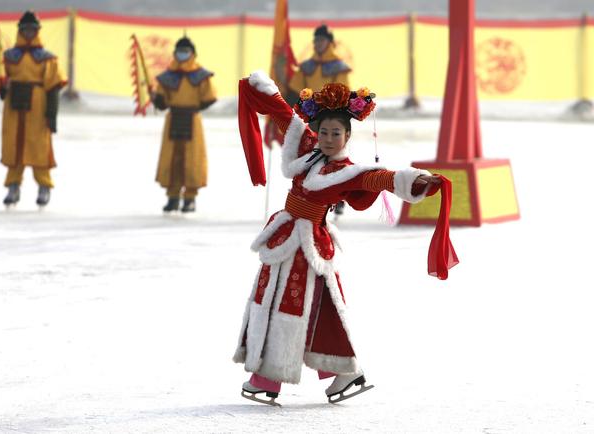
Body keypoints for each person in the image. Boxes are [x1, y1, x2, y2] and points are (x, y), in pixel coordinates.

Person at [233, 72, 442, 405]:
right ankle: (341, 371)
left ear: (347, 136)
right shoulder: (307, 150)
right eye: (325, 132)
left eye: (336, 133)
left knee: (292, 305)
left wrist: (414, 180)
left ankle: (270, 377)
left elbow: (378, 179)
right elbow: (285, 117)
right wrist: (264, 89)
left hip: (308, 244)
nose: (329, 138)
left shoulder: (346, 171)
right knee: (313, 306)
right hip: (287, 237)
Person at [0, 11, 66, 207]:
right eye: (25, 30)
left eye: (32, 30)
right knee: (15, 146)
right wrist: (3, 88)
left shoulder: (47, 58)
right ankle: (13, 186)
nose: (29, 33)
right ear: (20, 31)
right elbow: (0, 81)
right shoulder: (9, 57)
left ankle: (44, 186)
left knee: (39, 147)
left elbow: (53, 88)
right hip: (14, 107)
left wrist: (52, 114)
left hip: (38, 105)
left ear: (37, 31)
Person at [288, 24, 351, 215]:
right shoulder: (307, 67)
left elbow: (343, 92)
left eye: (321, 40)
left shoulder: (338, 66)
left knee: (335, 157)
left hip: (332, 117)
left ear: (329, 42)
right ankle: (312, 192)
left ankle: (338, 196)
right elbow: (294, 91)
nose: (318, 44)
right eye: (315, 40)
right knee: (311, 154)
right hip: (312, 117)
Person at [151, 36, 217, 213]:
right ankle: (172, 197)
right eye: (179, 51)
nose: (182, 54)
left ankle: (190, 198)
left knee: (192, 159)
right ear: (174, 54)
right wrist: (157, 99)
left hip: (191, 120)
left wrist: (193, 108)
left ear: (193, 54)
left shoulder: (201, 75)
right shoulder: (167, 76)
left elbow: (209, 98)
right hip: (173, 118)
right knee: (172, 158)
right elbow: (162, 101)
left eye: (186, 51)